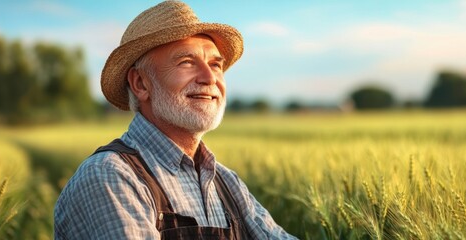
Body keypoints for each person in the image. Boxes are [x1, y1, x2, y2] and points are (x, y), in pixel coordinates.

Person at [54, 1, 297, 239]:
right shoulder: (110, 176)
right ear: (140, 84)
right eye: (187, 62)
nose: (209, 78)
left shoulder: (226, 182)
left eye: (215, 64)